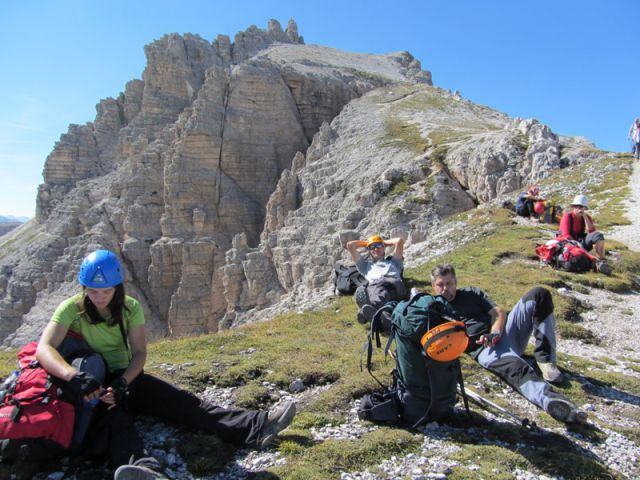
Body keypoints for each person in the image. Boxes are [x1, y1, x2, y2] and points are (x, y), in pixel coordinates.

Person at [36, 249, 296, 480]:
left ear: (117, 287)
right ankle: (145, 470)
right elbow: (44, 348)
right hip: (88, 384)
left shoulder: (130, 308)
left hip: (123, 378)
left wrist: (124, 382)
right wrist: (73, 376)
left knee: (183, 402)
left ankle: (259, 426)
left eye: (106, 291)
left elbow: (139, 353)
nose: (99, 297)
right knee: (115, 424)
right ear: (83, 287)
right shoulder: (70, 308)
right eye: (93, 291)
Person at [430, 264, 587, 425]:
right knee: (516, 369)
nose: (445, 289)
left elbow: (498, 313)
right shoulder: (434, 309)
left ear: (456, 282)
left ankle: (546, 361)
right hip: (485, 350)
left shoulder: (471, 293)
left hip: (506, 332)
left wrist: (495, 333)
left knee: (539, 294)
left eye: (449, 284)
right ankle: (551, 401)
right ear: (433, 286)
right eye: (440, 285)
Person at [346, 234, 406, 324]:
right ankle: (383, 316)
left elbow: (399, 241)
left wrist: (383, 242)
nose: (376, 249)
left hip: (394, 285)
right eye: (372, 247)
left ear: (384, 248)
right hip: (378, 290)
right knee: (374, 289)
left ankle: (366, 311)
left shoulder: (394, 262)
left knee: (378, 286)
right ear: (369, 251)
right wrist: (367, 243)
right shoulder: (365, 266)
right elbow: (350, 245)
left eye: (379, 246)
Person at [558, 194, 612, 274]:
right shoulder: (568, 217)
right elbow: (566, 235)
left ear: (585, 208)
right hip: (568, 245)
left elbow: (592, 232)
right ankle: (595, 264)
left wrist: (585, 216)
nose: (579, 208)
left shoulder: (586, 217)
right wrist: (580, 248)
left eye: (581, 206)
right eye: (576, 206)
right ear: (573, 207)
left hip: (580, 243)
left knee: (598, 235)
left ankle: (602, 261)